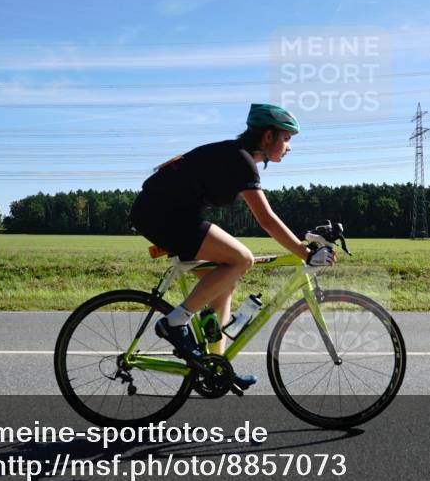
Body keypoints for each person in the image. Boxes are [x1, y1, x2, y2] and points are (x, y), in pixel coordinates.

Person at [130, 104, 336, 388]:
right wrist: (305, 253)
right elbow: (266, 220)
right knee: (242, 259)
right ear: (268, 137)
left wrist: (301, 244)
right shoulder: (241, 159)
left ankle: (216, 367)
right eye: (286, 138)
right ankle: (174, 322)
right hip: (162, 215)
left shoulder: (235, 155)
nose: (289, 147)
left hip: (170, 214)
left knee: (224, 284)